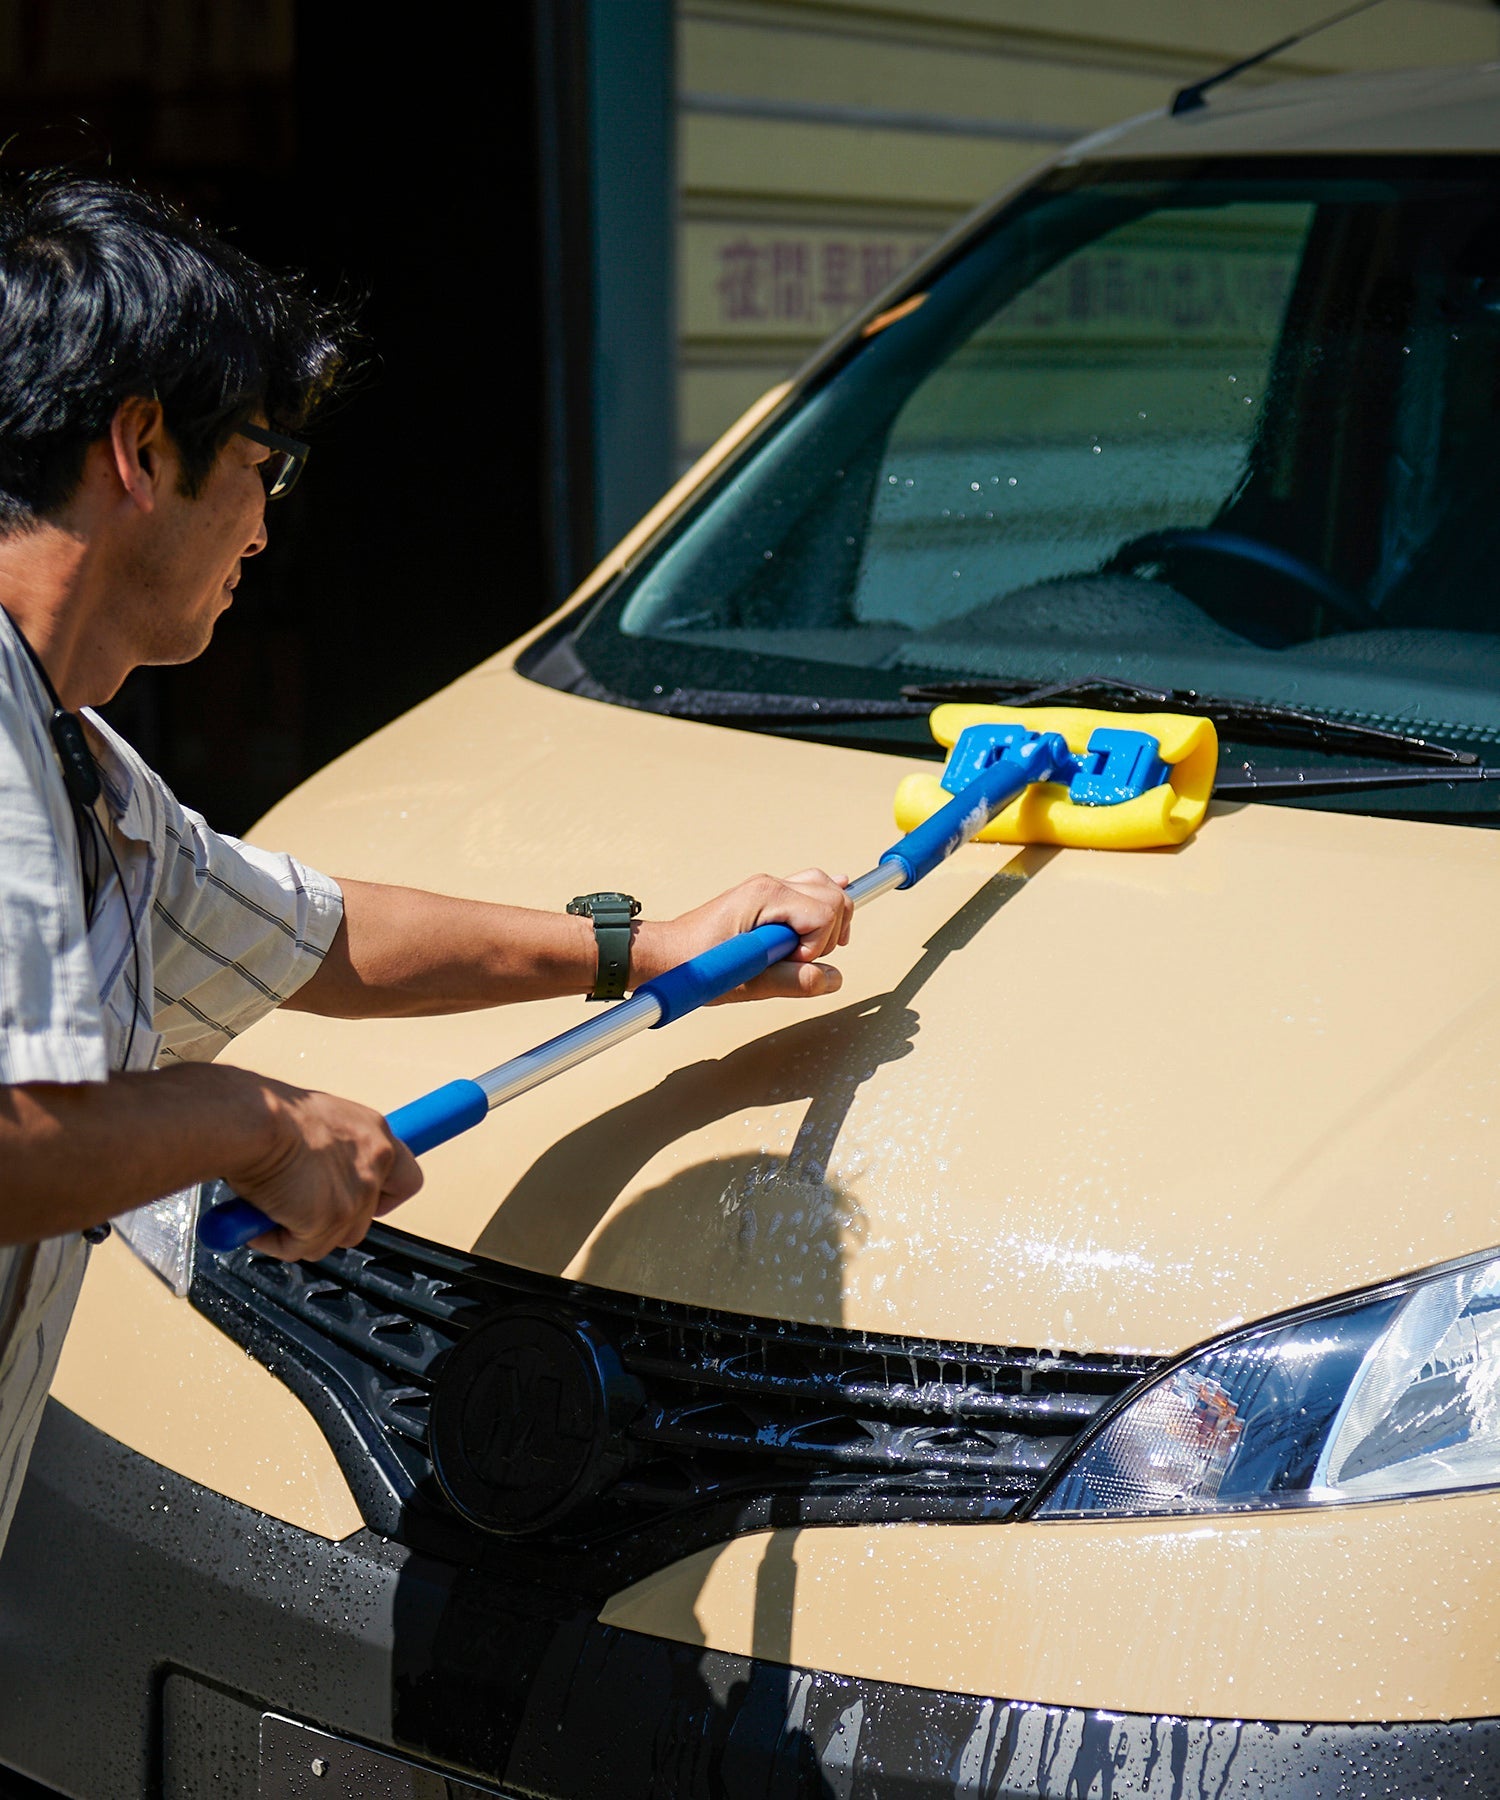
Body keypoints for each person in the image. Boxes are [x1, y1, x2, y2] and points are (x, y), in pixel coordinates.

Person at [0, 171, 851, 1546]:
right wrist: (255, 1124)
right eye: (262, 467)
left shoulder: (75, 768)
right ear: (141, 448)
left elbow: (313, 935)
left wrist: (646, 948)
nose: (264, 528)